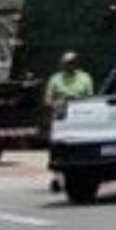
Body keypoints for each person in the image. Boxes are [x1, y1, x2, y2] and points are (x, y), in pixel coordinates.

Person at [44, 51, 95, 194]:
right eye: (65, 63)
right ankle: (57, 178)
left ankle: (84, 175)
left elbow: (90, 97)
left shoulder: (85, 78)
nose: (68, 65)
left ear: (76, 63)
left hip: (81, 115)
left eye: (71, 62)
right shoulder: (55, 79)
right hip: (62, 116)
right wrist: (56, 104)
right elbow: (47, 100)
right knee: (59, 147)